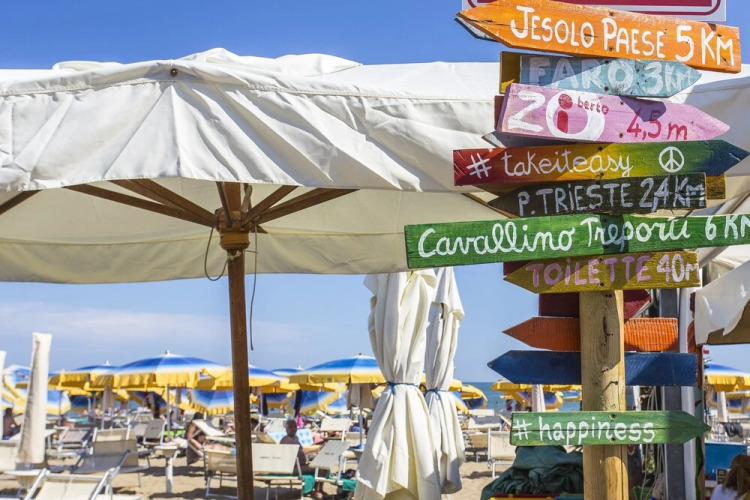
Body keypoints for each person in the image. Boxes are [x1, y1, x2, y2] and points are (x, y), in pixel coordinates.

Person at [280, 419, 324, 499]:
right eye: (290, 427)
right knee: (319, 468)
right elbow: (289, 456)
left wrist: (316, 450)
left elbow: (302, 450)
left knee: (324, 466)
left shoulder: (295, 438)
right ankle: (317, 491)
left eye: (295, 427)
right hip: (293, 468)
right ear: (286, 428)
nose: (293, 429)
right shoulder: (286, 440)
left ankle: (320, 489)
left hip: (300, 465)